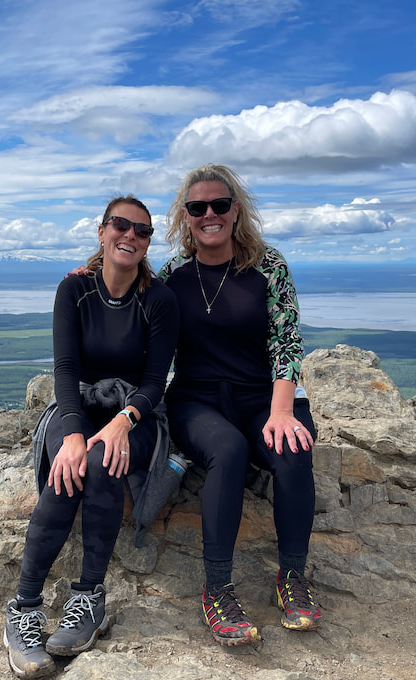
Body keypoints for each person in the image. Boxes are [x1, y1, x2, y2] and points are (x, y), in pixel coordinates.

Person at [5, 196, 179, 680]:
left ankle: (89, 598)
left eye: (142, 231)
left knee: (104, 462)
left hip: (136, 412)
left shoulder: (159, 299)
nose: (130, 235)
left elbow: (153, 382)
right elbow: (65, 369)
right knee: (71, 462)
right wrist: (73, 433)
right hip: (77, 405)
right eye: (120, 225)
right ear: (102, 232)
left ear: (147, 243)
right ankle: (24, 608)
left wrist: (122, 422)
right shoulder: (74, 291)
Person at [157, 164, 321, 647]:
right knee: (226, 450)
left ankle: (291, 577)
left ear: (236, 210)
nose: (209, 214)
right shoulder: (171, 277)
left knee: (292, 451)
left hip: (261, 397)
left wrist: (282, 411)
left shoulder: (267, 267)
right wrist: (90, 270)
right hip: (196, 399)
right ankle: (217, 588)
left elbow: (286, 341)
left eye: (220, 205)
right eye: (197, 207)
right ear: (185, 218)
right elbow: (123, 292)